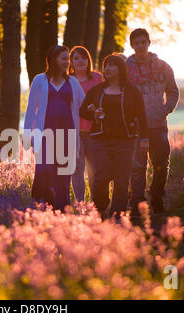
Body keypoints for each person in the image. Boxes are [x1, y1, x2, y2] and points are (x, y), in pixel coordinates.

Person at [79, 53, 148, 216]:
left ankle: (118, 215)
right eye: (106, 65)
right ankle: (101, 208)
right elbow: (82, 111)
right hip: (100, 140)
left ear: (120, 69)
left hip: (125, 141)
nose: (107, 68)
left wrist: (145, 139)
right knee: (101, 177)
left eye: (112, 65)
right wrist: (93, 113)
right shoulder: (97, 91)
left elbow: (142, 117)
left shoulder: (131, 91)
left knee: (122, 179)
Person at [23, 45, 85, 211]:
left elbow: (85, 104)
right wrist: (27, 135)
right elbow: (31, 109)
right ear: (53, 60)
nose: (67, 62)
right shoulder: (39, 80)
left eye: (68, 59)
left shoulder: (72, 82)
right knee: (43, 171)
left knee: (63, 177)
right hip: (45, 135)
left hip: (67, 135)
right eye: (63, 58)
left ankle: (62, 211)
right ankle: (39, 207)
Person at [126, 28, 180, 215]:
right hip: (135, 127)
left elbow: (173, 91)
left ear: (149, 43)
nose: (140, 45)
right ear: (132, 45)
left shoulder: (163, 66)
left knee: (161, 164)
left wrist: (165, 110)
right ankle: (137, 201)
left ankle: (156, 197)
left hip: (158, 125)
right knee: (137, 166)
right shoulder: (125, 68)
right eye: (136, 43)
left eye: (143, 42)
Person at [69, 46, 103, 202]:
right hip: (74, 131)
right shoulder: (67, 80)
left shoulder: (97, 78)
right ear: (71, 62)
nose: (80, 61)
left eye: (83, 57)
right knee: (77, 169)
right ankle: (81, 204)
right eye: (76, 58)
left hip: (94, 131)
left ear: (88, 60)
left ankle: (97, 204)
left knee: (95, 170)